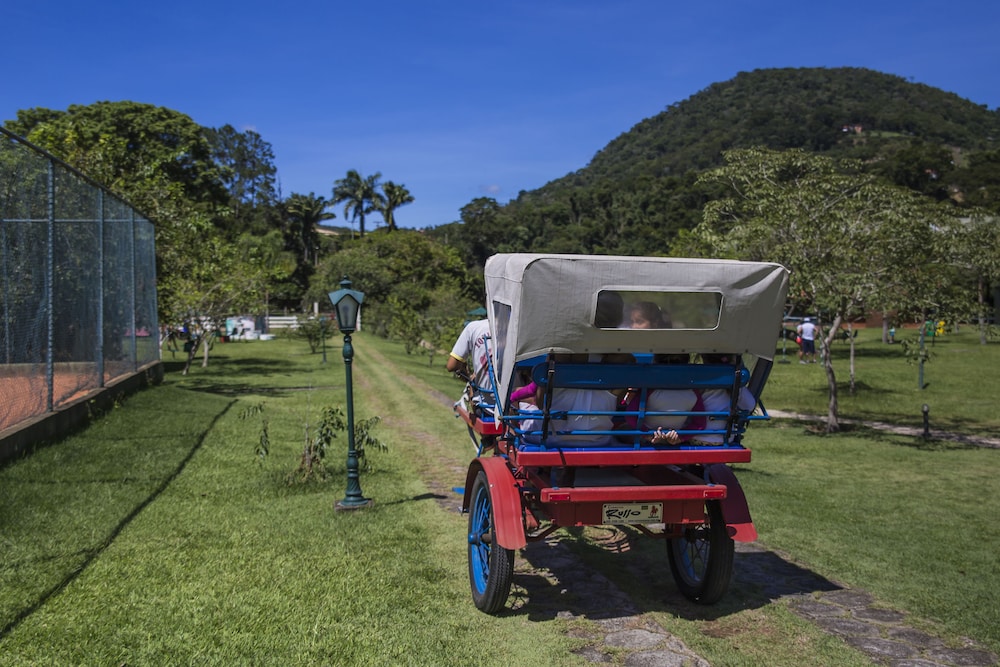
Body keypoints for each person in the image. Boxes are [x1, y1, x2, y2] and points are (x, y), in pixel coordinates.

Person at [692, 353, 757, 445]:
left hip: (696, 436)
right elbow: (749, 406)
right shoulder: (735, 381)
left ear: (704, 358)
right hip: (724, 438)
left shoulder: (697, 378)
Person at [447, 318, 493, 395]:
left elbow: (451, 366)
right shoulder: (517, 329)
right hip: (514, 403)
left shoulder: (474, 327)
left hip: (483, 401)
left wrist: (468, 377)